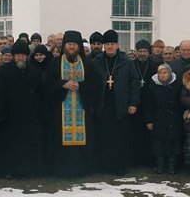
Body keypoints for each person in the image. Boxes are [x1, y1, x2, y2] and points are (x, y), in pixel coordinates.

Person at [44, 30, 101, 176]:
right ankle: (62, 170)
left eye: (74, 44)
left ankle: (82, 170)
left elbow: (96, 85)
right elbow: (46, 84)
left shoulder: (87, 64)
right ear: (64, 46)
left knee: (84, 140)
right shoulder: (55, 63)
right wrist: (63, 84)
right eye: (69, 44)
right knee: (60, 139)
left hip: (82, 110)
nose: (71, 47)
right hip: (60, 111)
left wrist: (81, 86)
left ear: (78, 46)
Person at [0, 40, 46, 177]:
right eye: (17, 55)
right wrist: (0, 114)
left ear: (27, 57)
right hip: (10, 116)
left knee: (28, 146)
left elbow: (41, 94)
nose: (20, 58)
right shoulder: (3, 72)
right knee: (11, 145)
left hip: (30, 117)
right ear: (13, 56)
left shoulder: (35, 72)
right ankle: (10, 171)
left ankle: (29, 170)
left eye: (23, 55)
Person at [92, 30, 139, 173]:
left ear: (117, 45)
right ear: (104, 46)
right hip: (103, 105)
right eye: (107, 44)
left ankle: (119, 166)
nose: (110, 47)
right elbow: (91, 84)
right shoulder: (96, 62)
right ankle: (104, 166)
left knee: (119, 138)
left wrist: (133, 103)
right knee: (104, 136)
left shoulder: (127, 62)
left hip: (121, 106)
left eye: (112, 44)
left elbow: (134, 83)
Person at [143, 63, 184, 174]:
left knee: (173, 144)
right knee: (159, 144)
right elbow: (148, 105)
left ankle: (172, 166)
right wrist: (149, 120)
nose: (163, 75)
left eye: (165, 72)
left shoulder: (177, 85)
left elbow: (181, 102)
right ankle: (160, 165)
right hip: (158, 119)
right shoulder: (152, 86)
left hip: (174, 119)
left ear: (170, 73)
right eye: (160, 73)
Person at [132, 39, 156, 167]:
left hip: (150, 102)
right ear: (136, 52)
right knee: (136, 132)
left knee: (149, 133)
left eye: (145, 51)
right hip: (135, 103)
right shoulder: (131, 64)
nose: (142, 53)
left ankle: (149, 159)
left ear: (149, 52)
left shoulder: (154, 65)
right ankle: (136, 159)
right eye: (140, 51)